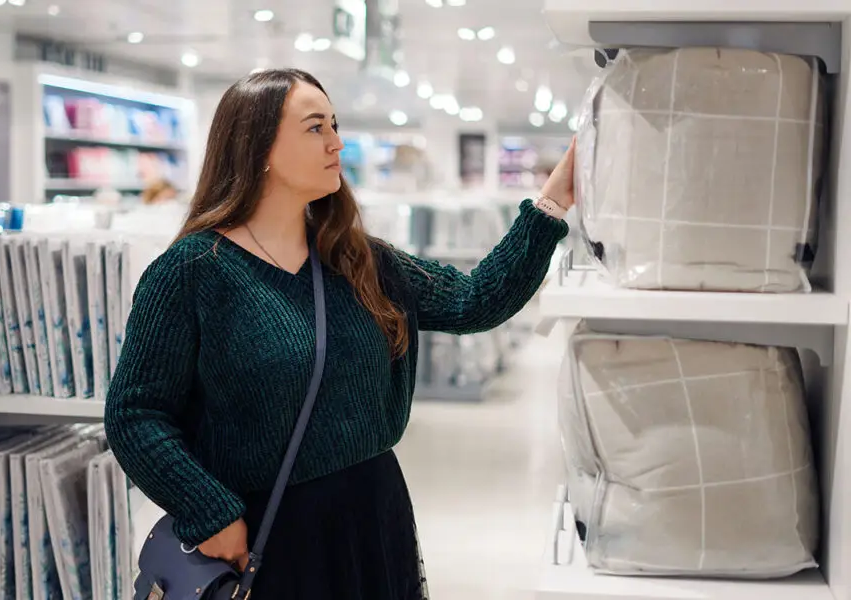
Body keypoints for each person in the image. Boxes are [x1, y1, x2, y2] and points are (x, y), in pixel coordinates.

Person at [104, 68, 575, 600]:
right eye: (315, 128)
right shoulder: (192, 271)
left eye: (334, 124)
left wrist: (553, 202)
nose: (337, 142)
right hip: (264, 534)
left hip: (371, 516)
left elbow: (474, 301)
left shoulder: (357, 259)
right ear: (257, 145)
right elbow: (135, 412)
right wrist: (207, 511)